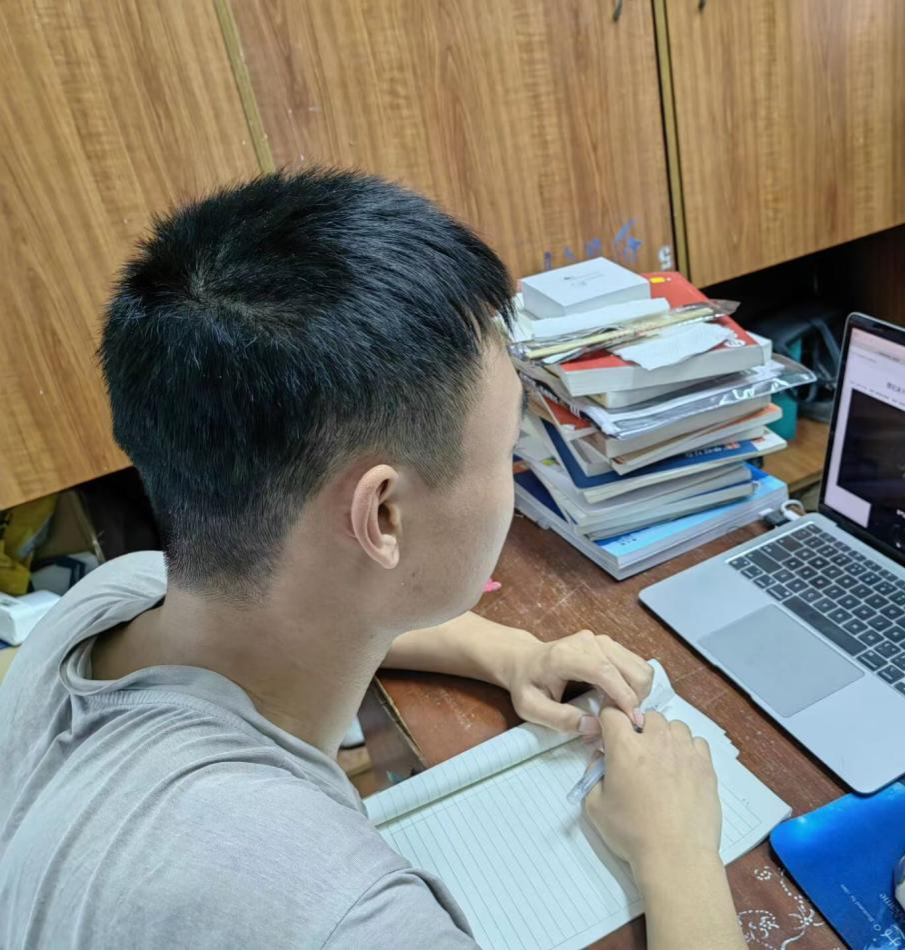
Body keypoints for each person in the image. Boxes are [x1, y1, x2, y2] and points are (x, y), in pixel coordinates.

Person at [0, 170, 744, 948]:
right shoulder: (334, 911)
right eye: (508, 450)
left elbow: (309, 607)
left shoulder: (114, 600)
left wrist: (514, 653)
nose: (515, 478)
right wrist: (678, 851)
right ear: (383, 515)